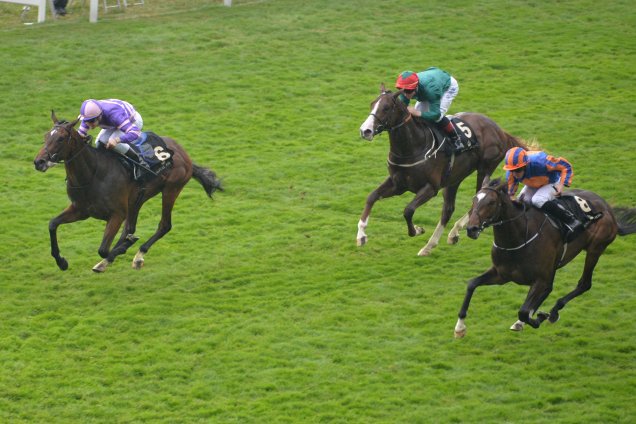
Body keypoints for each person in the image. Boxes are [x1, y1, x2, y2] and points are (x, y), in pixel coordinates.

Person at [503, 147, 582, 233]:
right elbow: (510, 193)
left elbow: (565, 166)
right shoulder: (511, 174)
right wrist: (510, 197)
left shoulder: (541, 162)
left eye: (518, 170)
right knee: (522, 202)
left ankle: (571, 220)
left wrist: (561, 185)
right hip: (533, 184)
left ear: (526, 164)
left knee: (538, 200)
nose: (515, 173)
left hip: (552, 181)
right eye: (512, 170)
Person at [395, 67, 460, 152]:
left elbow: (435, 114)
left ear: (416, 87)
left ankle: (455, 139)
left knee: (437, 118)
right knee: (416, 118)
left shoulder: (431, 90)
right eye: (402, 90)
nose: (405, 94)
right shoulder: (407, 88)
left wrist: (418, 113)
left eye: (408, 91)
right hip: (430, 82)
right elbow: (403, 109)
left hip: (447, 87)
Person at [77, 99, 149, 170]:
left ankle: (140, 162)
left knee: (115, 143)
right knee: (99, 143)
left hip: (132, 121)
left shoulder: (114, 115)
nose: (89, 125)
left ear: (99, 116)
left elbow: (135, 132)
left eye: (92, 121)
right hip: (113, 123)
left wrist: (117, 140)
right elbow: (80, 134)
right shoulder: (88, 117)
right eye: (86, 121)